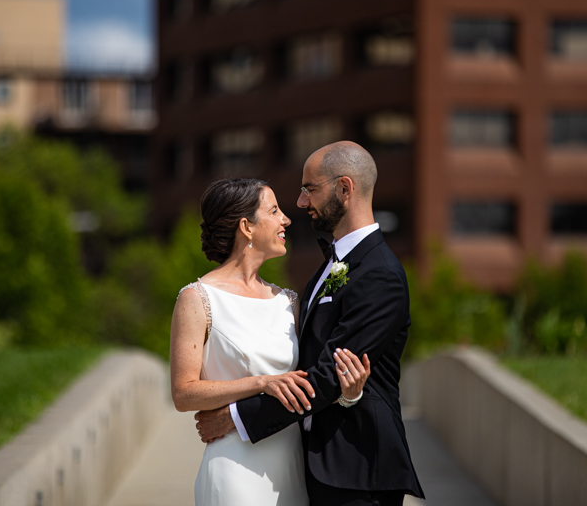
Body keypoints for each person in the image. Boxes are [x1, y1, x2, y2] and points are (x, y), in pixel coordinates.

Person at [196, 142, 425, 506]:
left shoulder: (381, 274)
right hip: (316, 465)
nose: (301, 203)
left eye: (309, 189)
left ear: (344, 189)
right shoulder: (333, 265)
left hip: (357, 469)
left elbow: (331, 375)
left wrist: (236, 418)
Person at [170, 178, 371, 506]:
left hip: (292, 470)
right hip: (234, 469)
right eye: (275, 211)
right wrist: (262, 383)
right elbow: (184, 393)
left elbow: (308, 381)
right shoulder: (197, 298)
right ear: (246, 226)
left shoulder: (288, 301)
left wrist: (349, 394)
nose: (286, 220)